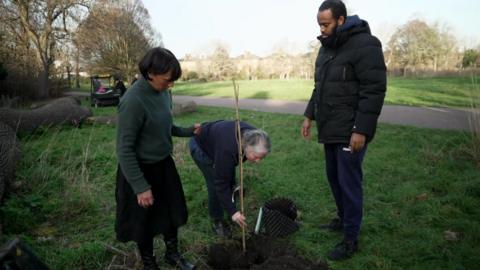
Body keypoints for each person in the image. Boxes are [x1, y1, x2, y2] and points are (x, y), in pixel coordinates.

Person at [301, 0, 386, 261]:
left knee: (349, 183)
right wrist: (309, 115)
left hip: (351, 130)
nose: (321, 29)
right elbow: (320, 87)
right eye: (319, 25)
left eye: (325, 24)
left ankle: (351, 239)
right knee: (334, 178)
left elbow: (374, 90)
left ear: (340, 20)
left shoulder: (367, 45)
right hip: (331, 128)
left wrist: (361, 129)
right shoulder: (326, 50)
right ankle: (343, 218)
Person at [116, 47, 199, 270]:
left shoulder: (163, 93)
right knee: (144, 221)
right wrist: (140, 186)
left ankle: (173, 255)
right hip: (140, 170)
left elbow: (164, 126)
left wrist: (188, 131)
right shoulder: (133, 101)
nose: (171, 84)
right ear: (151, 73)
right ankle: (149, 263)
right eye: (168, 79)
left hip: (164, 166)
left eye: (173, 80)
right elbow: (124, 149)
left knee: (171, 212)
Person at [189, 120, 271, 238]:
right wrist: (233, 212)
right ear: (247, 147)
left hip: (218, 141)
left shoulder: (254, 135)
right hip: (201, 147)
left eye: (262, 157)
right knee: (215, 185)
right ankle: (217, 220)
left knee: (228, 175)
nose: (258, 161)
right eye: (257, 157)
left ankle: (229, 201)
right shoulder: (226, 151)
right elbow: (220, 183)